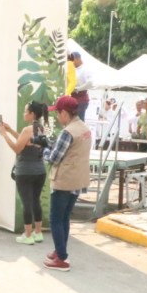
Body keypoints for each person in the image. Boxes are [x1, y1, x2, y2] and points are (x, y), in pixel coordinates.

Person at [43, 95, 92, 271]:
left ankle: (62, 258)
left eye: (58, 113)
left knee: (56, 219)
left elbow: (54, 158)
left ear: (64, 113)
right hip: (78, 179)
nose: (57, 117)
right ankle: (59, 250)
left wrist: (44, 150)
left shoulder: (68, 132)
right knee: (64, 217)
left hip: (64, 179)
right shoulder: (84, 128)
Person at [0, 101, 49, 245]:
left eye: (26, 111)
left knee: (27, 203)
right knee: (36, 201)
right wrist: (10, 130)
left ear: (32, 114)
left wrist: (4, 135)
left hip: (25, 171)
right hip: (40, 170)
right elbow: (25, 141)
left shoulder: (27, 130)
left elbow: (17, 148)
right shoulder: (40, 128)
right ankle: (37, 232)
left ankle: (27, 235)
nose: (24, 113)